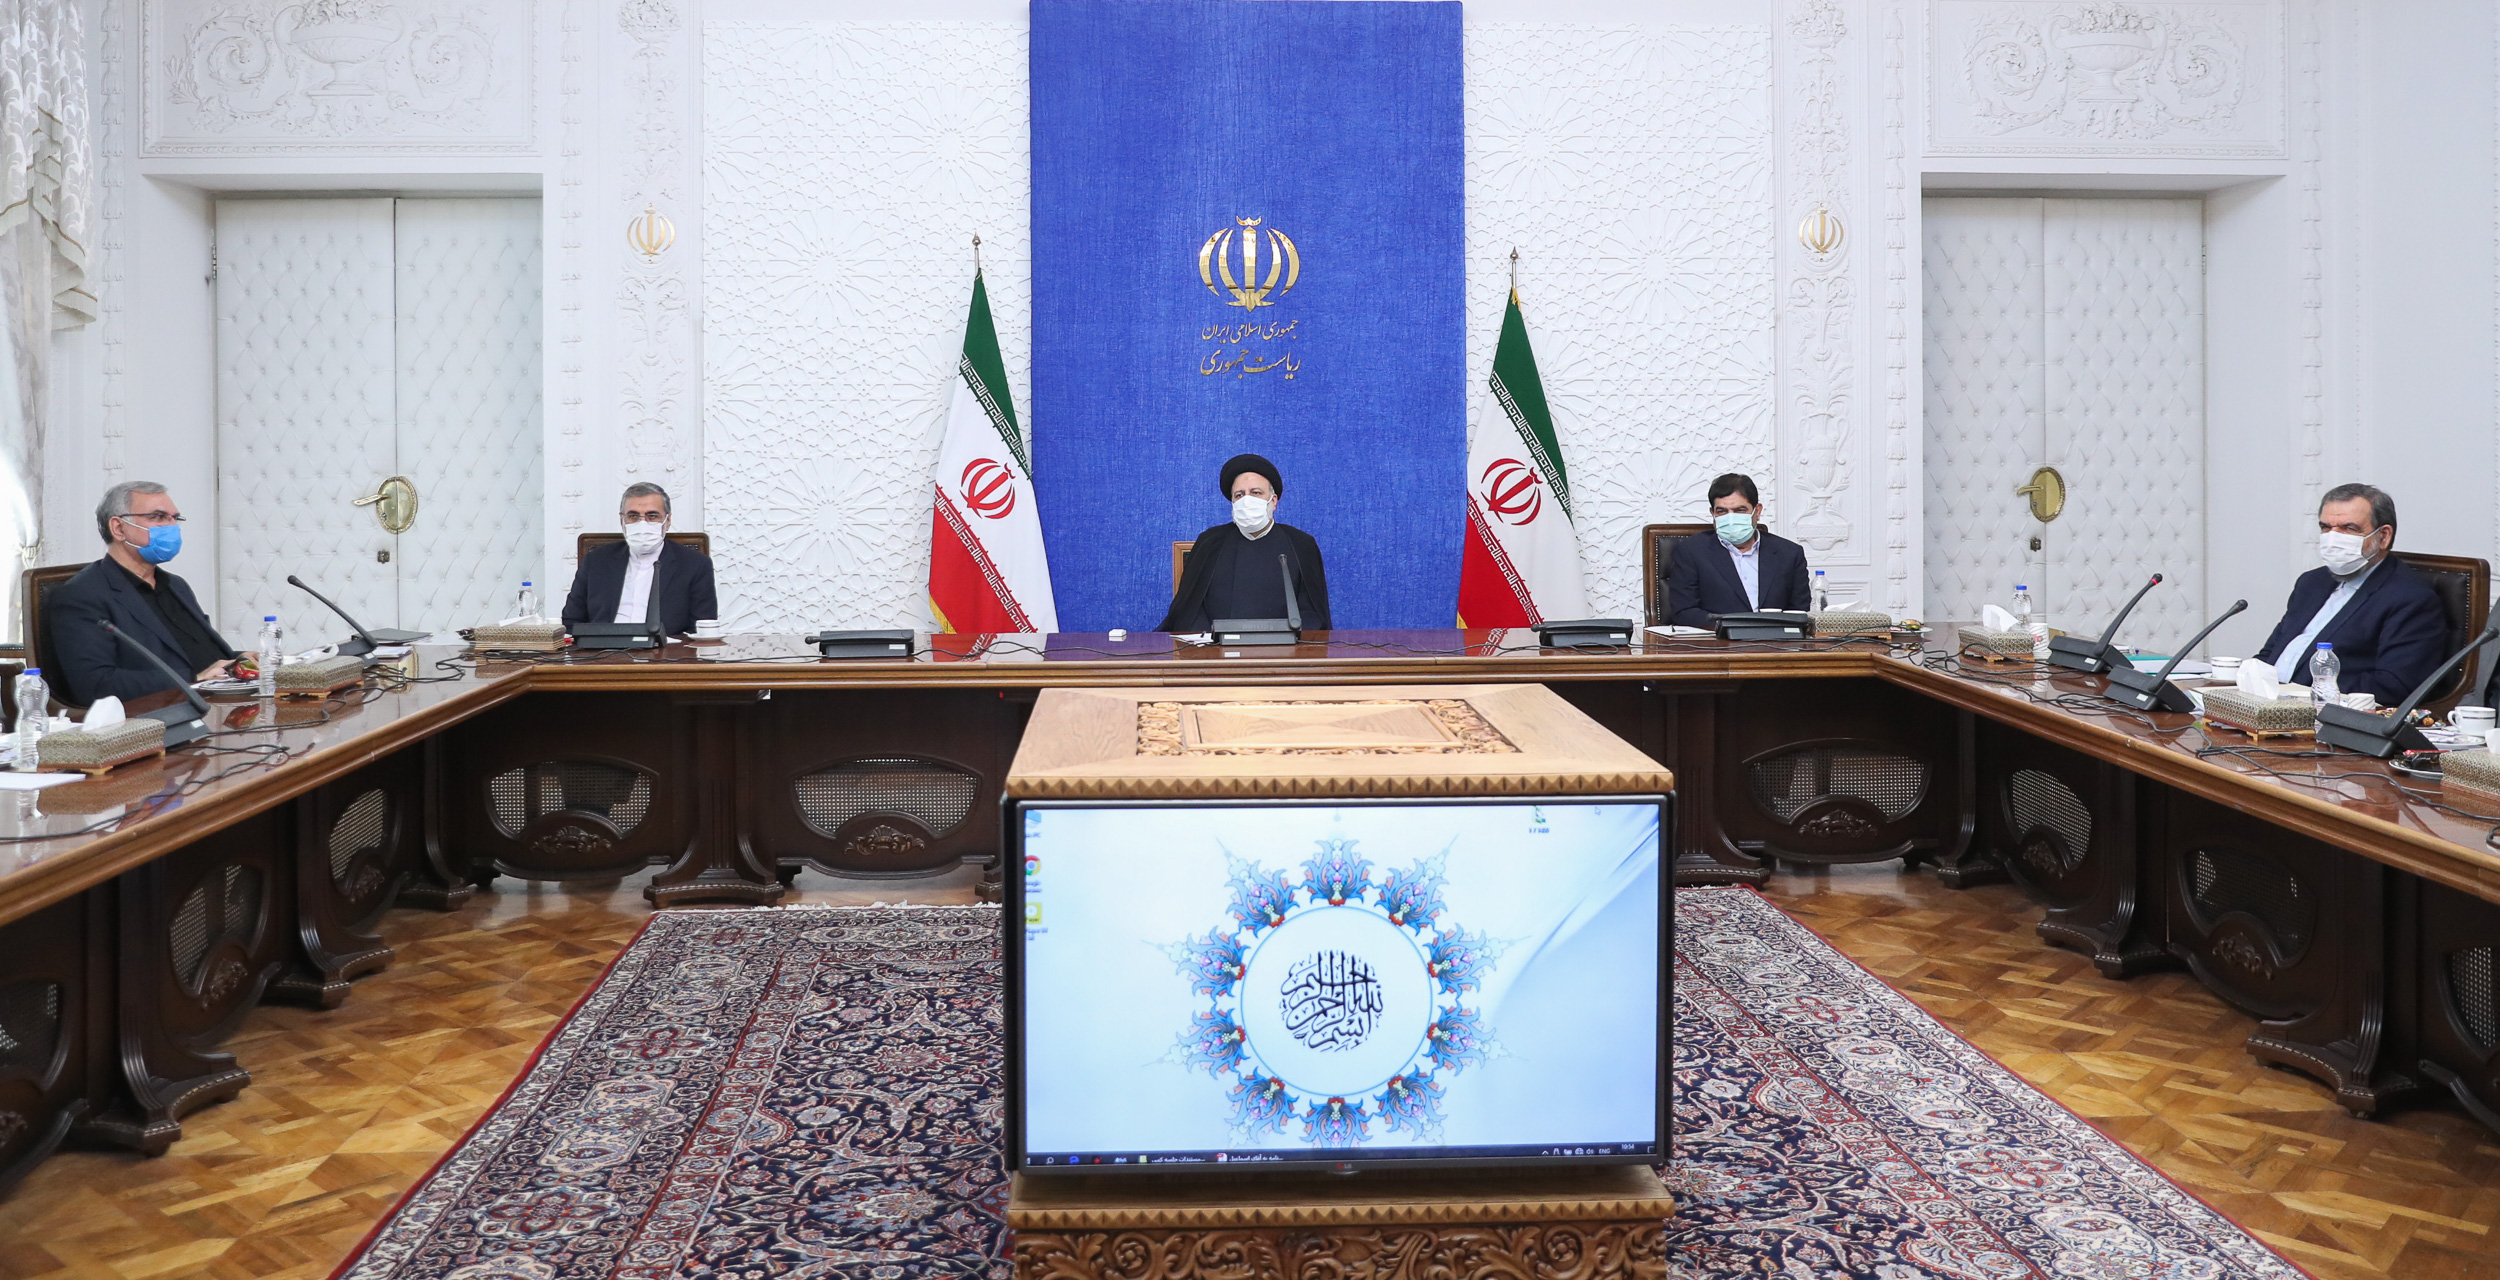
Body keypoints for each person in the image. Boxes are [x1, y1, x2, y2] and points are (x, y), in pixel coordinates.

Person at [2254, 482, 2447, 705]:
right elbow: (2272, 653)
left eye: (2349, 528)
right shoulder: (2311, 582)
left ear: (2383, 536)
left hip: (2321, 712)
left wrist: (2304, 693)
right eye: (2326, 528)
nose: (2333, 539)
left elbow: (2395, 685)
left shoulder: (2409, 598)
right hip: (2266, 702)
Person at [47, 481, 238, 706]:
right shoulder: (81, 596)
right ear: (119, 528)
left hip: (216, 704)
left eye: (174, 518)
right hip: (154, 716)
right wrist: (191, 680)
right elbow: (95, 685)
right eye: (158, 517)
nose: (171, 526)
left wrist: (240, 662)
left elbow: (204, 656)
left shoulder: (176, 586)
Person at [1160, 453, 1332, 633]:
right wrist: (1211, 641)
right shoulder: (1209, 543)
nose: (1247, 501)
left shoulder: (1301, 544)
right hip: (1217, 647)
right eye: (1239, 495)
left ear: (1273, 501)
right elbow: (1190, 610)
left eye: (1256, 493)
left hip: (1284, 647)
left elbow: (1312, 613)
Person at [561, 482, 719, 636]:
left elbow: (702, 628)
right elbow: (571, 621)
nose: (642, 524)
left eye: (652, 516)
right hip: (604, 649)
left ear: (668, 521)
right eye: (633, 516)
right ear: (622, 520)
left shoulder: (695, 564)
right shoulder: (596, 560)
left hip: (665, 650)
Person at [1665, 472, 1812, 629]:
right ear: (1712, 513)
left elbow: (1799, 612)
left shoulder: (1789, 554)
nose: (1731, 519)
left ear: (1757, 511)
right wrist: (1733, 627)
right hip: (1719, 639)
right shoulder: (1691, 551)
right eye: (1722, 511)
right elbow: (1684, 612)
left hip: (1775, 640)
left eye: (1740, 510)